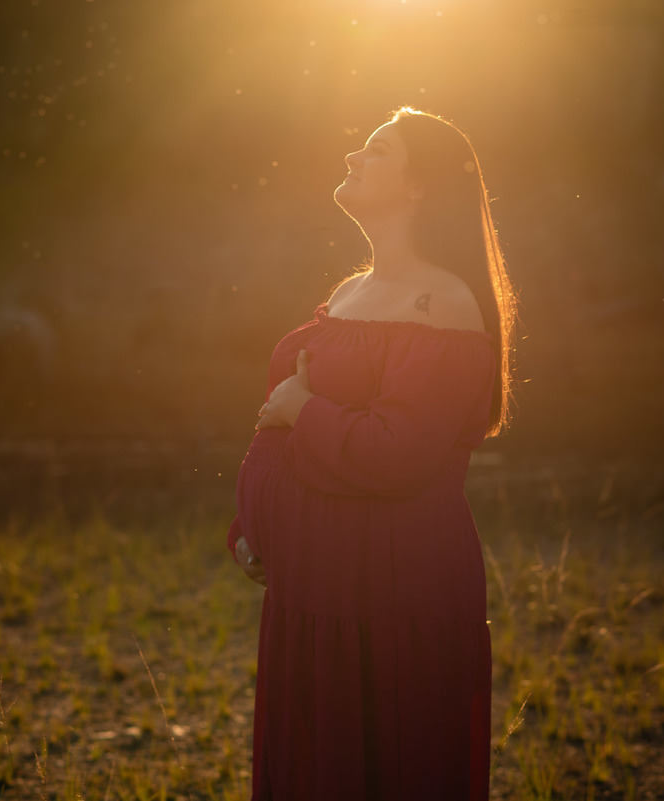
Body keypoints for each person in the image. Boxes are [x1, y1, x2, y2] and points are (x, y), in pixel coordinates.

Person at [225, 106, 519, 800]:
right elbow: (279, 433)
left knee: (386, 766)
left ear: (420, 186)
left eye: (377, 150)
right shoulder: (349, 292)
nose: (353, 157)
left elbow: (396, 454)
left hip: (388, 587)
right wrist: (252, 530)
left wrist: (304, 408)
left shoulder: (443, 302)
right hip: (311, 591)